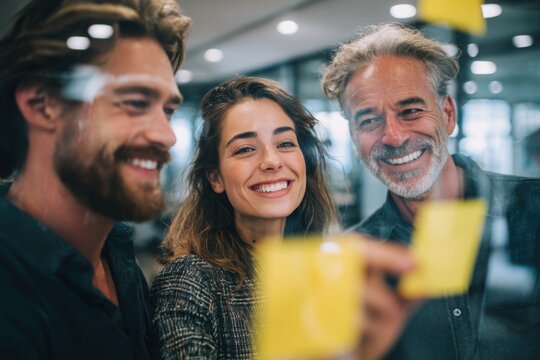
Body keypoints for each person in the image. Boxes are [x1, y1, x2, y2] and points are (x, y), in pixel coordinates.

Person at [150, 76, 416, 360]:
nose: (272, 161)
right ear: (215, 177)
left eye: (286, 143)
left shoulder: (324, 269)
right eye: (245, 149)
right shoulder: (189, 280)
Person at [322, 22, 540, 359]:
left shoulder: (534, 209)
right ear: (354, 139)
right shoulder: (356, 263)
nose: (393, 137)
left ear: (447, 114)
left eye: (410, 111)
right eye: (369, 120)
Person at [0, 0, 190, 359]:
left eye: (167, 110)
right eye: (135, 102)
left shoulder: (116, 254)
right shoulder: (10, 294)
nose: (167, 135)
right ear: (42, 105)